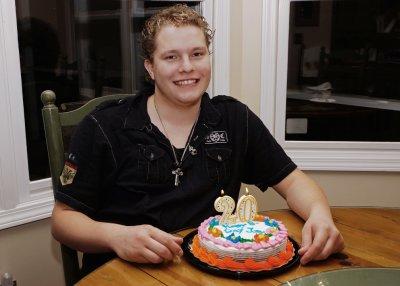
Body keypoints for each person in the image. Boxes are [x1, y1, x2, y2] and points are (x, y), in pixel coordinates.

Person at [51, 4, 344, 276]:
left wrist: (320, 216)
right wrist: (115, 237)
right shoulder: (104, 126)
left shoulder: (234, 119)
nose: (187, 67)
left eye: (197, 54)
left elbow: (293, 182)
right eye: (171, 57)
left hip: (210, 274)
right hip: (124, 272)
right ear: (150, 67)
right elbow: (63, 220)